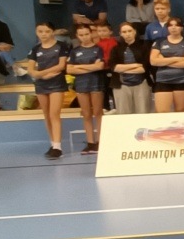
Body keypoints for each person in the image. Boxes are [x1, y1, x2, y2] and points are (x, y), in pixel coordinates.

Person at [22, 22, 69, 159]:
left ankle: (58, 147)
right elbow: (31, 70)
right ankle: (52, 143)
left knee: (54, 114)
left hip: (57, 83)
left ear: (53, 32)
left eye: (47, 31)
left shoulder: (61, 46)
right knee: (47, 115)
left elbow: (61, 65)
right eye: (40, 31)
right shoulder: (35, 49)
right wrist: (40, 75)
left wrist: (41, 73)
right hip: (41, 84)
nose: (43, 34)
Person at [66, 22, 107, 154]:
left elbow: (99, 66)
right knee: (86, 114)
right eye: (81, 35)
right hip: (81, 85)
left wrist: (78, 67)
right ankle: (90, 142)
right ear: (77, 36)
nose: (84, 37)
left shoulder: (98, 49)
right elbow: (69, 69)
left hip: (96, 83)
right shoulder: (74, 51)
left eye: (87, 34)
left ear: (91, 34)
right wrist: (90, 67)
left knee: (98, 112)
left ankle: (100, 141)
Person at [149, 17, 184, 113]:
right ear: (167, 28)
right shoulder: (159, 41)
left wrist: (163, 60)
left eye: (176, 25)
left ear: (181, 28)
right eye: (171, 25)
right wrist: (177, 59)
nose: (173, 27)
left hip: (182, 80)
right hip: (163, 80)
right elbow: (153, 61)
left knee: (180, 110)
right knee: (162, 111)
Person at [109, 21, 154, 116]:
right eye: (124, 32)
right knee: (123, 115)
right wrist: (136, 65)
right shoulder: (115, 49)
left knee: (143, 114)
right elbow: (114, 67)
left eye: (129, 31)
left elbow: (143, 69)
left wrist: (123, 68)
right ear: (120, 34)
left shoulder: (144, 48)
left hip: (141, 84)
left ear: (135, 32)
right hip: (121, 85)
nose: (127, 34)